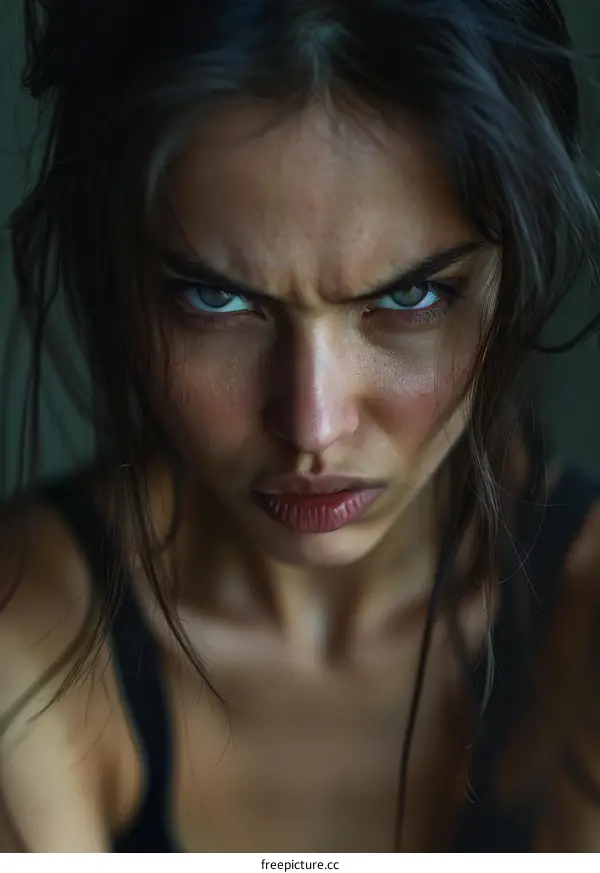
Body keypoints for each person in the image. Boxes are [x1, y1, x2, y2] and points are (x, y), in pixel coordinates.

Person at [0, 0, 599, 853]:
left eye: (409, 296)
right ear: (120, 276)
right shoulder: (22, 636)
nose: (313, 422)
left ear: (509, 278)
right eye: (218, 299)